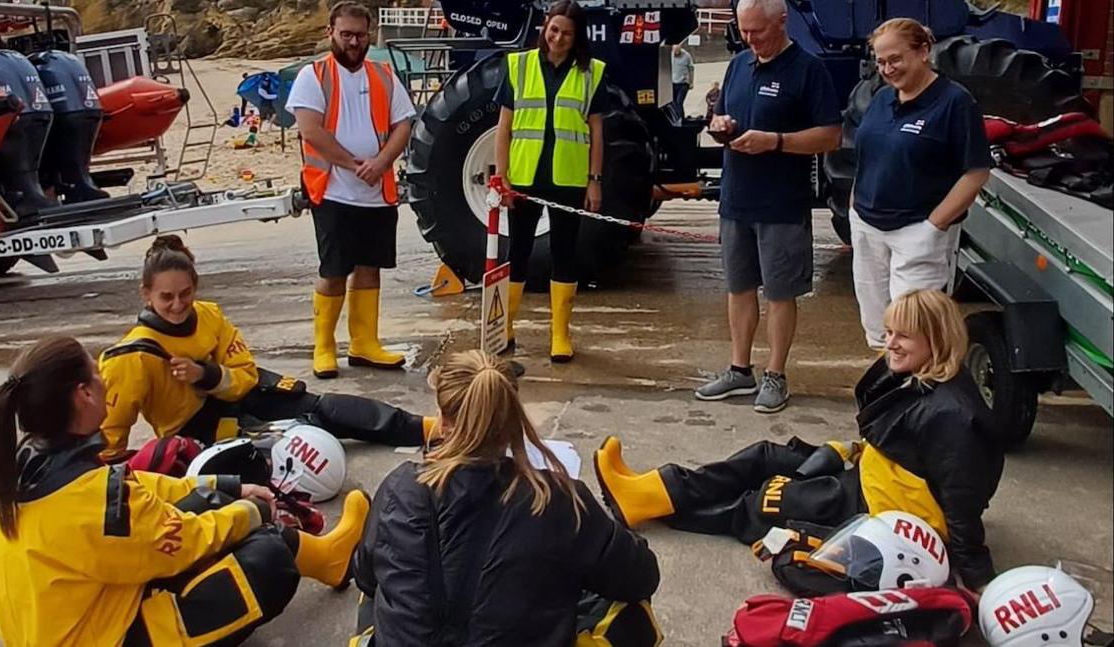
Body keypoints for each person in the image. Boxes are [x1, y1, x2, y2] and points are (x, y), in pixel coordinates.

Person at [596, 290, 1005, 591]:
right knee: (765, 455)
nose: (890, 344)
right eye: (889, 331)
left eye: (904, 337)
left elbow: (962, 503)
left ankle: (654, 505)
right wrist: (852, 451)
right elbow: (900, 444)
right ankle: (652, 488)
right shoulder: (918, 377)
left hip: (880, 510)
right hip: (871, 477)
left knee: (763, 501)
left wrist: (976, 578)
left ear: (937, 340)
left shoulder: (954, 416)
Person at [0, 336, 372, 647]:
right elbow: (186, 541)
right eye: (96, 373)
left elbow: (138, 486)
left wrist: (227, 485)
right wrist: (255, 512)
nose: (105, 378)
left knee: (208, 503)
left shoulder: (26, 469)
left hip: (78, 623)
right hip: (109, 635)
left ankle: (326, 559)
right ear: (84, 394)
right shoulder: (100, 506)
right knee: (267, 558)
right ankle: (321, 558)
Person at [349, 350, 662, 646]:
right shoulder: (558, 499)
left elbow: (365, 577)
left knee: (378, 587)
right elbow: (641, 577)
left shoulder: (399, 487)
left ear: (442, 422)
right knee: (624, 605)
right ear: (514, 425)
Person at [97, 235, 433, 463]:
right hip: (195, 433)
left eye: (185, 294)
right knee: (291, 448)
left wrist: (206, 374)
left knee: (318, 408)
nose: (177, 305)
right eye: (166, 297)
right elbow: (111, 435)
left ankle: (424, 427)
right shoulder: (130, 357)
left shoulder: (209, 315)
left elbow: (245, 375)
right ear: (146, 294)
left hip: (236, 398)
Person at [696, 0, 842, 413]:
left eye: (757, 31)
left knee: (780, 293)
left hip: (781, 203)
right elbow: (721, 113)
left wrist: (775, 141)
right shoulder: (739, 65)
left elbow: (831, 136)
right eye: (744, 31)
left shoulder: (808, 70)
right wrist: (719, 125)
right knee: (738, 287)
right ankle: (740, 370)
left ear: (782, 21)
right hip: (736, 198)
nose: (750, 39)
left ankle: (776, 374)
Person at [287, 1, 416, 375]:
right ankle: (324, 347)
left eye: (360, 35)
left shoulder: (384, 75)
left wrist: (382, 163)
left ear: (369, 34)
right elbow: (311, 130)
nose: (354, 42)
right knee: (333, 270)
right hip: (332, 190)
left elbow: (403, 125)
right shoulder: (313, 76)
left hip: (377, 192)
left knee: (370, 267)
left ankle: (364, 344)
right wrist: (354, 163)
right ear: (331, 33)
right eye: (346, 35)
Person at [850, 18, 991, 349]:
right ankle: (890, 391)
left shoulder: (955, 103)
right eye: (881, 61)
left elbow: (976, 172)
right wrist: (854, 204)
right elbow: (866, 153)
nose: (887, 68)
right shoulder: (882, 99)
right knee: (877, 329)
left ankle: (921, 394)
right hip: (868, 226)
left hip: (917, 231)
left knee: (913, 331)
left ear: (924, 51)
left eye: (895, 59)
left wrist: (933, 226)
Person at [495, 0, 608, 363]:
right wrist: (502, 175)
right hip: (525, 177)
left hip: (568, 179)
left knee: (564, 253)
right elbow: (504, 127)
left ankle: (560, 334)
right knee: (518, 253)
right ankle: (506, 327)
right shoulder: (519, 64)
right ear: (545, 27)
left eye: (567, 33)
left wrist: (594, 181)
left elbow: (596, 131)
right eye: (554, 29)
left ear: (577, 38)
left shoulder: (592, 73)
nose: (558, 38)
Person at [671, 43, 694, 116]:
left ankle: (681, 118)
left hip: (683, 83)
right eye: (674, 51)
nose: (676, 53)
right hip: (672, 82)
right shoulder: (669, 55)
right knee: (673, 102)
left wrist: (691, 82)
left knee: (679, 102)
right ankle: (676, 117)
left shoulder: (687, 56)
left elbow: (691, 69)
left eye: (677, 51)